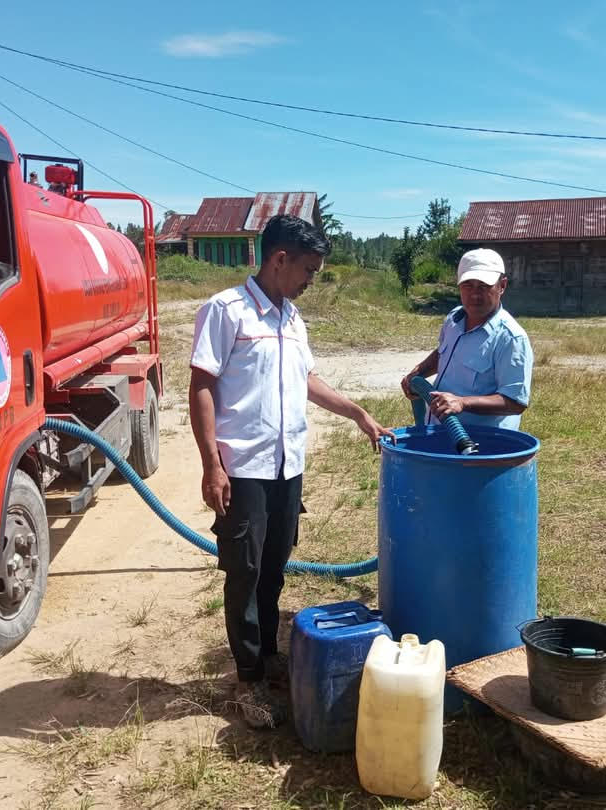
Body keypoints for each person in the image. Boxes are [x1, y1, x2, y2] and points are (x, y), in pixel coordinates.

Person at [189, 214, 394, 729]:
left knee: (274, 566)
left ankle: (267, 656)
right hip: (243, 467)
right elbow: (201, 386)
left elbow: (307, 380)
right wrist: (212, 464)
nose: (311, 280)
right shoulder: (227, 311)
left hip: (286, 466)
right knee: (245, 571)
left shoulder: (292, 318)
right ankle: (248, 680)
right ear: (280, 259)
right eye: (308, 269)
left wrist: (358, 414)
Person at [400, 248, 533, 430]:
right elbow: (443, 354)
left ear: (502, 286)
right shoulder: (454, 319)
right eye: (468, 285)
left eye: (483, 286)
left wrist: (463, 403)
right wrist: (418, 372)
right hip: (439, 432)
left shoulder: (511, 338)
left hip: (480, 443)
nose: (475, 295)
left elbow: (516, 402)